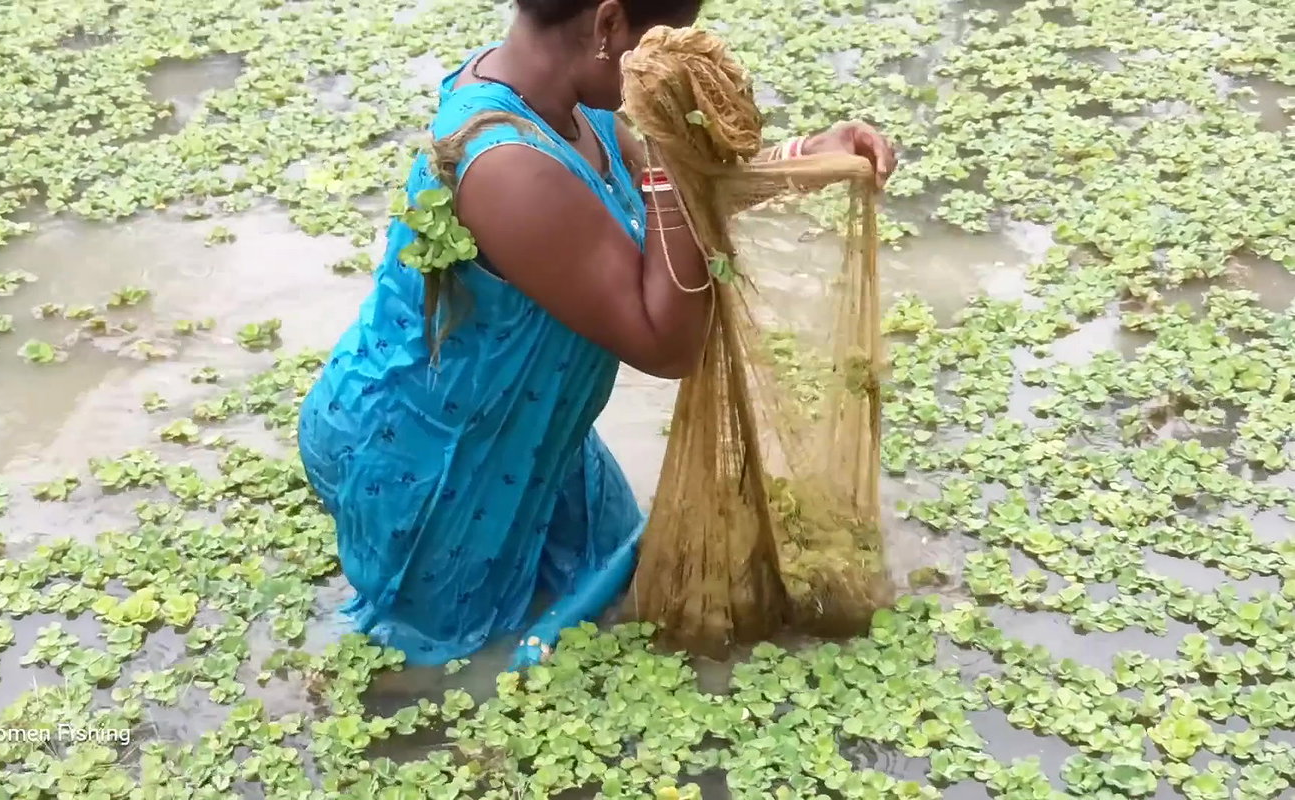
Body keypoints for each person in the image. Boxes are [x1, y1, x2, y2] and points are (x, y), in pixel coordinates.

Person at [298, 0, 897, 669]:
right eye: (662, 39)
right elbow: (665, 341)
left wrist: (805, 157)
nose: (667, 61)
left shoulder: (578, 107)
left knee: (615, 588)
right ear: (609, 25)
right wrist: (670, 148)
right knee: (436, 665)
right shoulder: (509, 167)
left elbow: (671, 206)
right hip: (430, 454)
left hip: (534, 429)